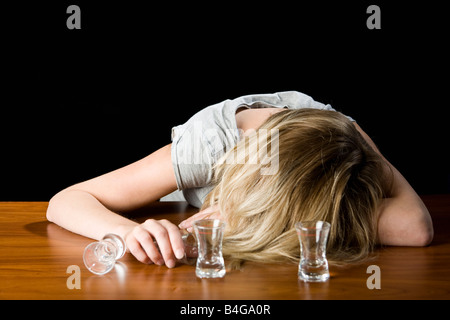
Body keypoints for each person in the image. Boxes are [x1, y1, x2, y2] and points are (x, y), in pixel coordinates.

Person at [46, 91, 433, 269]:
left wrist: (245, 221)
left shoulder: (348, 145)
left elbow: (416, 228)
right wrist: (127, 232)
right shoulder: (210, 145)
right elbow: (66, 200)